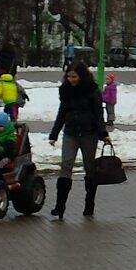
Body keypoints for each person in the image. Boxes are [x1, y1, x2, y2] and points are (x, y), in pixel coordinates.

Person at [48, 63, 109, 219]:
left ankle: (89, 203)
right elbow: (62, 112)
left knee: (89, 168)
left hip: (89, 134)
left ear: (82, 76)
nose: (71, 80)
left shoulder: (93, 91)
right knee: (66, 165)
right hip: (70, 133)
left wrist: (103, 134)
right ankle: (59, 206)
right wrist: (54, 133)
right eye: (68, 76)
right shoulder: (65, 90)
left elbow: (98, 114)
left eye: (74, 77)